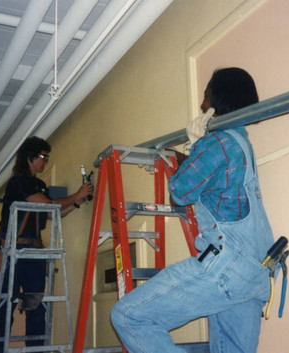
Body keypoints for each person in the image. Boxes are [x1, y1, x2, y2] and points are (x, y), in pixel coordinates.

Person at [111, 68, 274, 353]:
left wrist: (197, 144)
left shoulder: (217, 143)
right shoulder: (240, 144)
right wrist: (186, 155)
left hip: (226, 269)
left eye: (206, 95)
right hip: (256, 276)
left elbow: (180, 192)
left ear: (220, 98)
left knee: (128, 315)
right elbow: (213, 181)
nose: (201, 104)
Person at [0, 136, 93, 352]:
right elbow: (48, 204)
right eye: (43, 157)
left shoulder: (37, 184)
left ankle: (36, 350)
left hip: (34, 252)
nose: (45, 162)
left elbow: (52, 213)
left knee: (36, 306)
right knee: (5, 307)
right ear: (30, 157)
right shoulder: (18, 182)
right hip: (13, 250)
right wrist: (77, 194)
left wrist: (77, 201)